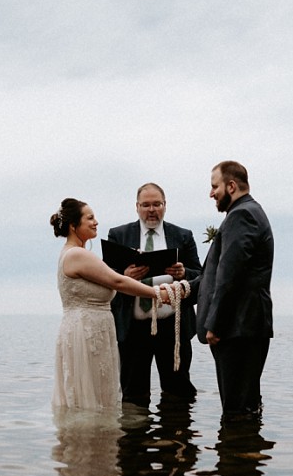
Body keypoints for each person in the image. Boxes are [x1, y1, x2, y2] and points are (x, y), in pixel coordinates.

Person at [50, 198, 174, 411]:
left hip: (91, 329)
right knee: (90, 399)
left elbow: (116, 279)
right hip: (86, 333)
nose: (96, 222)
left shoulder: (76, 253)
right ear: (73, 226)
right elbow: (117, 281)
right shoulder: (77, 254)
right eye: (90, 218)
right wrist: (159, 294)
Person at [106, 183, 202, 405]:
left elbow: (200, 275)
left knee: (178, 393)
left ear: (165, 206)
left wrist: (183, 272)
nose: (152, 210)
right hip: (133, 327)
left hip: (173, 325)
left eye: (157, 204)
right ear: (137, 207)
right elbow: (106, 276)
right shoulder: (118, 235)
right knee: (133, 396)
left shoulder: (183, 235)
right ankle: (135, 439)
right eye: (146, 205)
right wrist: (125, 274)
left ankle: (178, 437)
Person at [195, 161, 274, 418]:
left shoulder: (242, 215)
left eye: (214, 186)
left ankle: (237, 456)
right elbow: (217, 273)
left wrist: (215, 323)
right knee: (245, 405)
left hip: (238, 327)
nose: (211, 193)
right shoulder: (248, 212)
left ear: (231, 186)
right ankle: (246, 454)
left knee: (237, 410)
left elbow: (229, 275)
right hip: (244, 325)